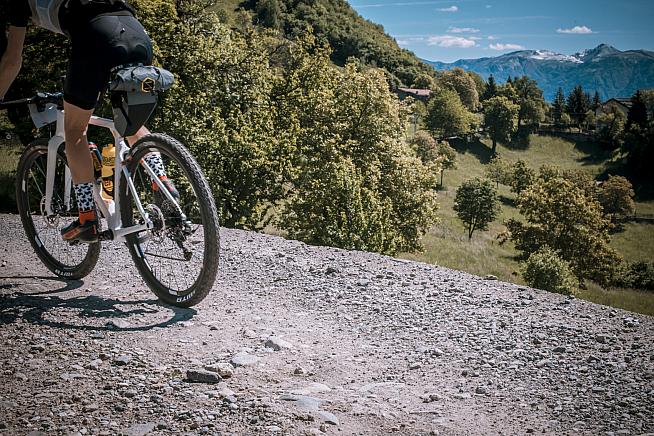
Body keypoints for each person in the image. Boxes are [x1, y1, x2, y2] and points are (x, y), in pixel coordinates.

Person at [0, 0, 172, 242]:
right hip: (136, 34)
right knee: (130, 122)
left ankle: (87, 218)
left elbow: (11, 61)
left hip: (96, 36)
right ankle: (162, 181)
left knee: (75, 130)